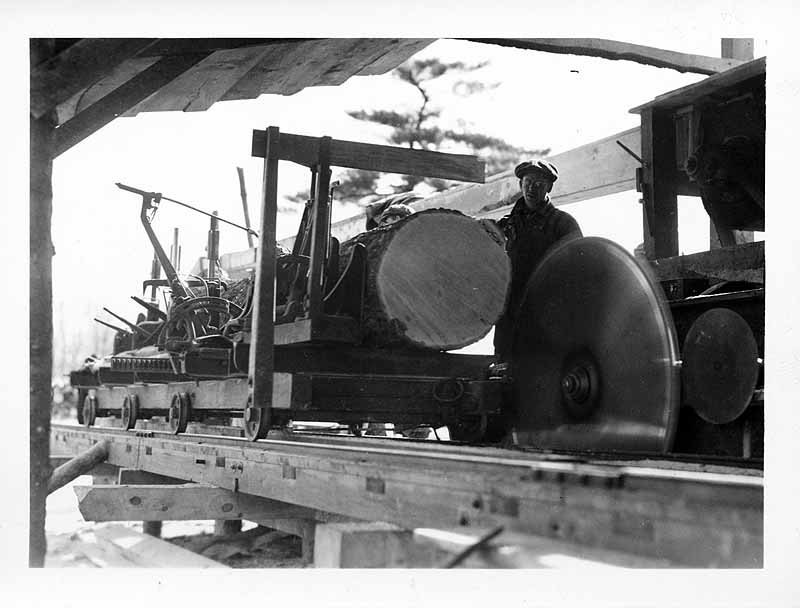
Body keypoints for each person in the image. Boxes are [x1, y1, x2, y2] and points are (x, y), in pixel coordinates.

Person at [493, 159, 583, 361]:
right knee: (503, 371)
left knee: (540, 369)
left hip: (546, 314)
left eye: (538, 184)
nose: (531, 188)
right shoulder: (506, 225)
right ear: (520, 184)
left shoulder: (563, 224)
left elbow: (578, 269)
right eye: (527, 182)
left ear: (549, 187)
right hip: (509, 315)